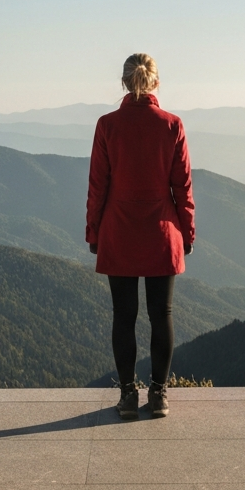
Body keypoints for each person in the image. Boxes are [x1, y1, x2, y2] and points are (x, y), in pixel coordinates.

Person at [86, 53, 195, 418]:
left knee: (124, 316)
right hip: (162, 232)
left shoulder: (107, 126)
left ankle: (128, 395)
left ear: (124, 81)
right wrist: (188, 232)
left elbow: (97, 186)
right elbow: (183, 188)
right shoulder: (172, 125)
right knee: (161, 313)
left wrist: (93, 231)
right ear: (156, 83)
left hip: (118, 230)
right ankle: (160, 394)